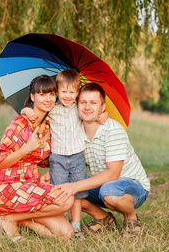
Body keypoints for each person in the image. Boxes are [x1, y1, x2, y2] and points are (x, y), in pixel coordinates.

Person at [52, 83, 150, 237]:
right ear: (76, 105)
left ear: (103, 107)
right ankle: (103, 218)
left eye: (93, 103)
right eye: (83, 102)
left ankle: (131, 218)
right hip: (102, 185)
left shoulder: (112, 130)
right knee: (60, 188)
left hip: (133, 186)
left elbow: (113, 175)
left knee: (108, 191)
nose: (87, 107)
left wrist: (75, 186)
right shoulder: (76, 132)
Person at [22, 70, 108, 238]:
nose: (67, 95)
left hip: (77, 157)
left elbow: (96, 111)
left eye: (72, 92)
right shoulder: (52, 108)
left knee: (77, 194)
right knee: (59, 193)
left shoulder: (79, 107)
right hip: (58, 158)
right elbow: (31, 111)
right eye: (63, 91)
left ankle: (75, 225)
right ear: (56, 92)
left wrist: (105, 114)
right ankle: (61, 222)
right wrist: (26, 111)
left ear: (77, 93)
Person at [0, 75, 74, 242]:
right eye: (42, 94)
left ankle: (14, 219)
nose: (48, 99)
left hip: (30, 187)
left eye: (51, 94)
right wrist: (27, 148)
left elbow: (43, 160)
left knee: (66, 233)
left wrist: (58, 165)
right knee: (67, 199)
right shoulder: (19, 124)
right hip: (6, 188)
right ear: (33, 97)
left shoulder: (50, 126)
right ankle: (11, 218)